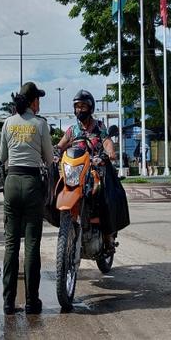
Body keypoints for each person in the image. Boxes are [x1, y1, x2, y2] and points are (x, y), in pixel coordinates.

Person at [0, 82, 53, 315]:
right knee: (32, 245)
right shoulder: (40, 124)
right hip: (32, 184)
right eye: (38, 99)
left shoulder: (8, 123)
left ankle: (8, 302)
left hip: (11, 182)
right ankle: (32, 302)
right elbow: (49, 158)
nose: (39, 102)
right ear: (33, 102)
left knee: (11, 244)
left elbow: (2, 156)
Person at [56, 89, 117, 249]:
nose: (79, 110)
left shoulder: (99, 126)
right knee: (54, 188)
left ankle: (108, 235)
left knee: (104, 196)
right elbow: (61, 145)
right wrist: (55, 152)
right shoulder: (72, 130)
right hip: (75, 171)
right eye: (77, 106)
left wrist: (109, 152)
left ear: (90, 108)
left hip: (94, 170)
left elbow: (107, 141)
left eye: (83, 106)